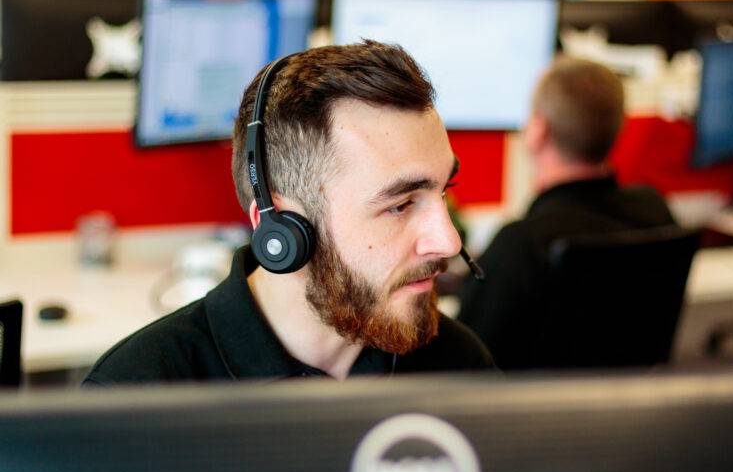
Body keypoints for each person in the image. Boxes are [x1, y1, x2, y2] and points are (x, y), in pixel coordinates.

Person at [83, 41, 494, 385]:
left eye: (444, 191)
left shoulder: (455, 365)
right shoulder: (139, 395)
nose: (449, 241)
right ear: (282, 231)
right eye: (400, 205)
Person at [457, 57, 674, 371]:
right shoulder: (653, 209)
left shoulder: (521, 244)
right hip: (628, 408)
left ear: (538, 130)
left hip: (528, 416)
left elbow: (465, 361)